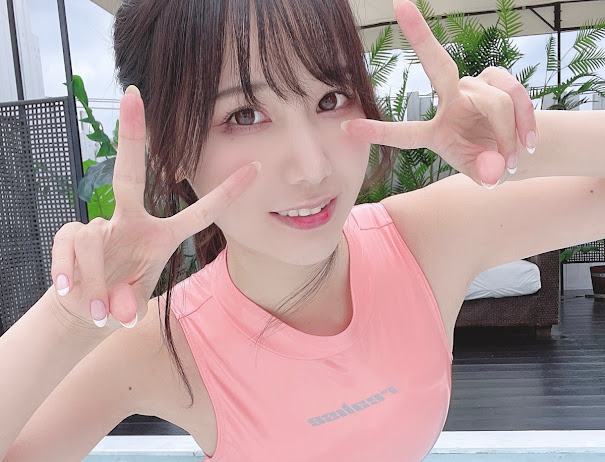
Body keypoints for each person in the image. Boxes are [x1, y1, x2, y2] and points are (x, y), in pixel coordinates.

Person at [2, 0, 604, 461]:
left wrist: (520, 141)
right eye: (245, 114)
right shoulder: (163, 344)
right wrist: (67, 318)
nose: (312, 168)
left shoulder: (426, 240)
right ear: (171, 152)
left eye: (331, 98)